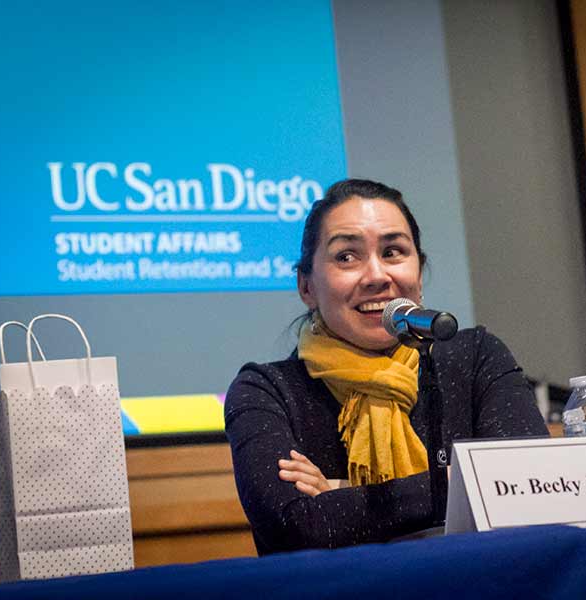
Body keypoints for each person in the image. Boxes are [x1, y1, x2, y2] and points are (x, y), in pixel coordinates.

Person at [225, 178, 547, 554]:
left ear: (419, 273)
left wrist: (340, 491)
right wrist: (458, 482)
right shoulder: (267, 390)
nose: (377, 276)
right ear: (306, 287)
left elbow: (528, 483)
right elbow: (300, 526)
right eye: (346, 256)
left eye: (393, 251)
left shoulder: (474, 356)